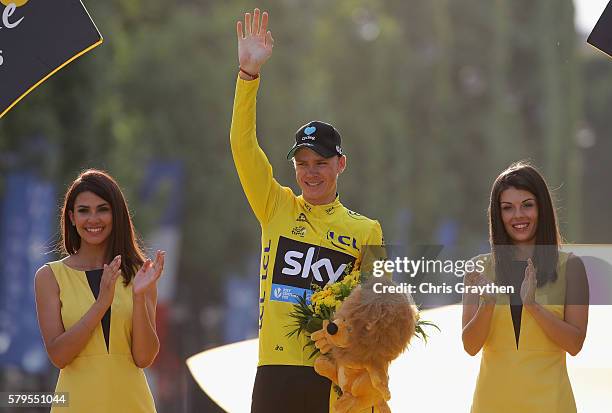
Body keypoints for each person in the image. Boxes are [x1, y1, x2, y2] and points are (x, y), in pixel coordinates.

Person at [231, 8, 385, 413]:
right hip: (276, 371)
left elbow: (379, 307)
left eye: (320, 162)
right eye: (303, 163)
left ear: (340, 164)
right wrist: (248, 77)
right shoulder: (275, 206)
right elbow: (243, 148)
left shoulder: (368, 230)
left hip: (333, 374)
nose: (311, 173)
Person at [462, 161, 589, 413]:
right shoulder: (477, 269)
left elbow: (574, 344)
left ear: (542, 208)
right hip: (491, 404)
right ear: (497, 215)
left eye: (527, 205)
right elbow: (470, 346)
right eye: (507, 208)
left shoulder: (571, 267)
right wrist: (487, 304)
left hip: (552, 405)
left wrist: (532, 306)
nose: (518, 215)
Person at [34, 169, 165, 412]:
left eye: (102, 209)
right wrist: (101, 303)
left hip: (132, 403)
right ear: (72, 217)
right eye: (84, 210)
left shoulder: (140, 274)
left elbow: (144, 358)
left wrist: (138, 297)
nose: (93, 219)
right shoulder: (49, 277)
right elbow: (59, 356)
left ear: (116, 215)